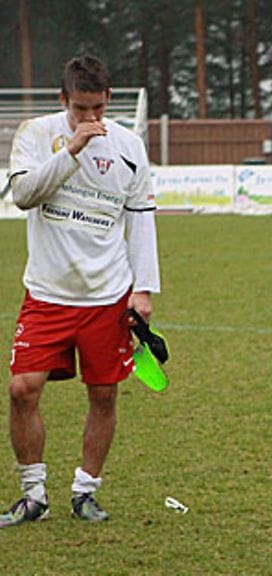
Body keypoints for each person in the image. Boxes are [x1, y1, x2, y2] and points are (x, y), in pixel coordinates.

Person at [0, 55, 160, 527]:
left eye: (97, 108)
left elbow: (141, 219)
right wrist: (71, 150)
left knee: (104, 394)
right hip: (47, 292)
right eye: (80, 109)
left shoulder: (129, 146)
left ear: (108, 99)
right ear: (63, 100)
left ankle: (85, 491)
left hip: (106, 294)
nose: (90, 118)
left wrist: (144, 289)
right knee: (21, 390)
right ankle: (33, 496)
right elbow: (23, 195)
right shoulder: (36, 134)